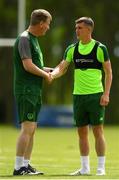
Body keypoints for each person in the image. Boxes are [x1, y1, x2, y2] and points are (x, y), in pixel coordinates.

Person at [50, 17, 112, 176]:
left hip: (95, 96)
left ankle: (101, 168)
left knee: (98, 131)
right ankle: (84, 169)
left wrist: (106, 94)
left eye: (80, 28)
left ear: (89, 30)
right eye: (76, 27)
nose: (76, 30)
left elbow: (109, 72)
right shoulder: (72, 49)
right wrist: (51, 75)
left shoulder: (100, 48)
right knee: (82, 133)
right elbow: (61, 67)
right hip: (78, 97)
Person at [13, 9, 53, 175]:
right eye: (48, 24)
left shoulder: (34, 40)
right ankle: (18, 167)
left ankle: (26, 164)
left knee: (32, 129)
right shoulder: (24, 39)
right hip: (26, 89)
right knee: (27, 128)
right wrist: (46, 75)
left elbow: (34, 65)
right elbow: (27, 66)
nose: (48, 28)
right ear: (41, 23)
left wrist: (49, 70)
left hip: (34, 90)